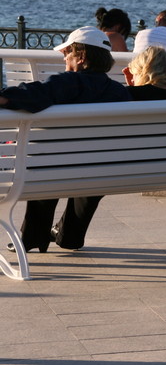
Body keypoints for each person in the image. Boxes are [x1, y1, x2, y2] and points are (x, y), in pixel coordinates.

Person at [1, 27, 132, 253]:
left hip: (56, 168)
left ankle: (33, 237)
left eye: (67, 53)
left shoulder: (70, 83)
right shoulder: (118, 92)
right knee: (85, 166)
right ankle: (70, 235)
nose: (64, 58)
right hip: (104, 171)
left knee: (46, 162)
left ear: (81, 57)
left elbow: (32, 95)